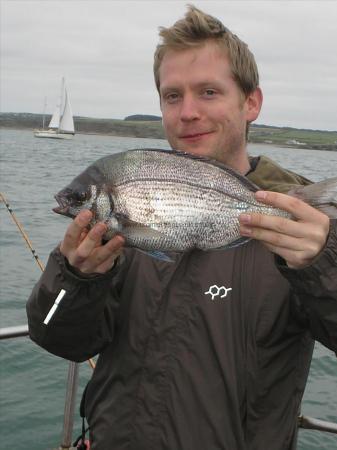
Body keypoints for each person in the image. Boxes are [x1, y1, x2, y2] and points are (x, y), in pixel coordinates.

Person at [27, 5, 337, 450]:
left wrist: (322, 266)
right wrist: (75, 277)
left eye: (208, 92)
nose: (188, 112)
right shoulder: (121, 220)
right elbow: (52, 332)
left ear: (251, 103)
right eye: (173, 96)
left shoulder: (306, 228)